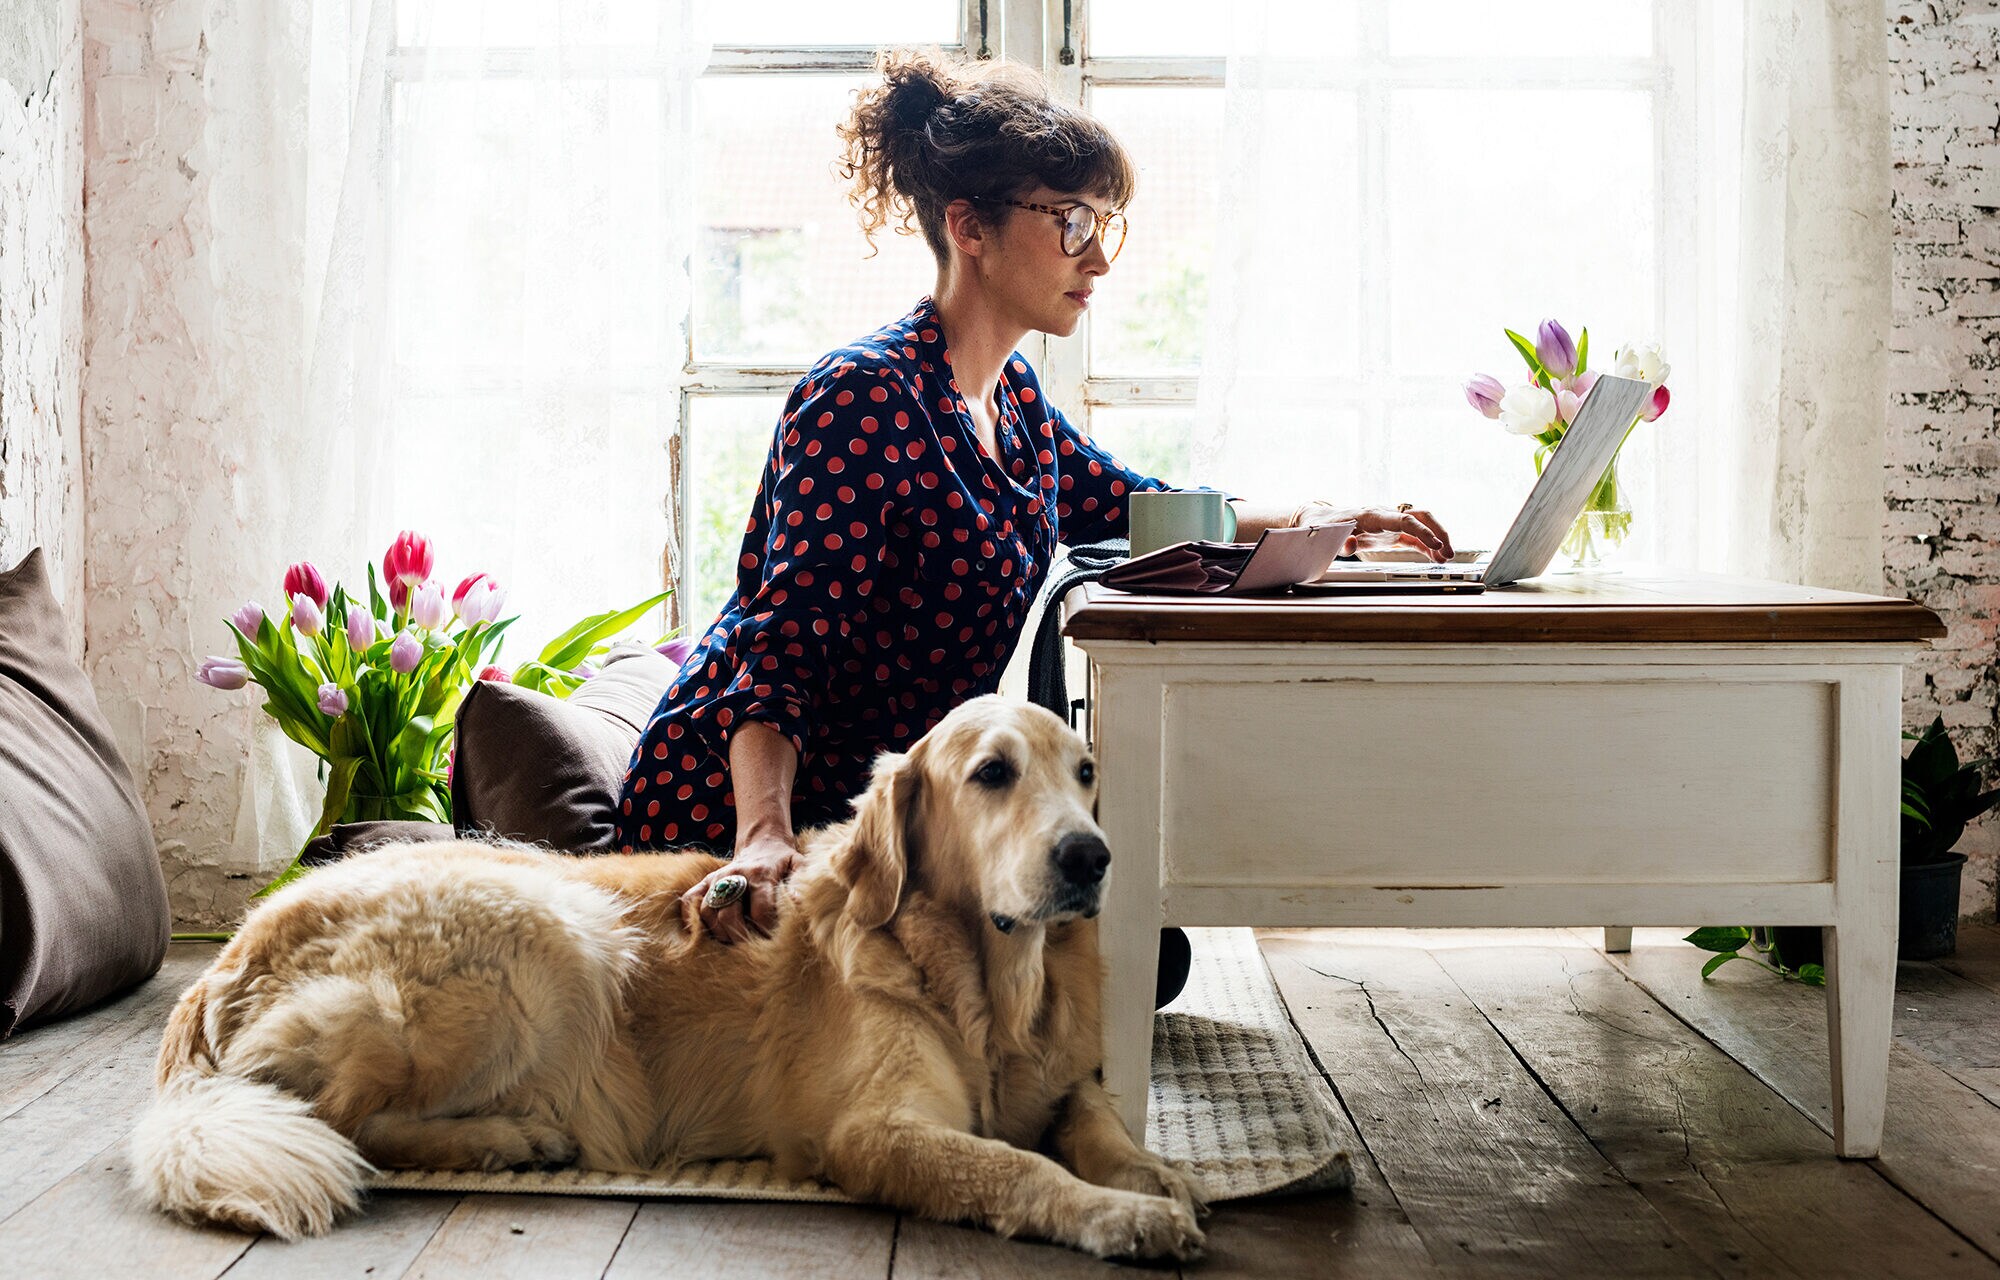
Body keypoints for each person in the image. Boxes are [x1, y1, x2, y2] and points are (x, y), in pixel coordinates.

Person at [613, 49, 1454, 976]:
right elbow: (779, 649)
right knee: (1122, 958)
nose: (1096, 256)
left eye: (1103, 225)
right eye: (1071, 222)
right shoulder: (861, 399)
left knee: (1140, 951)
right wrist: (761, 837)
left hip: (907, 815)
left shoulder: (1012, 404)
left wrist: (1340, 516)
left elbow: (1151, 507)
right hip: (747, 806)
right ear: (969, 226)